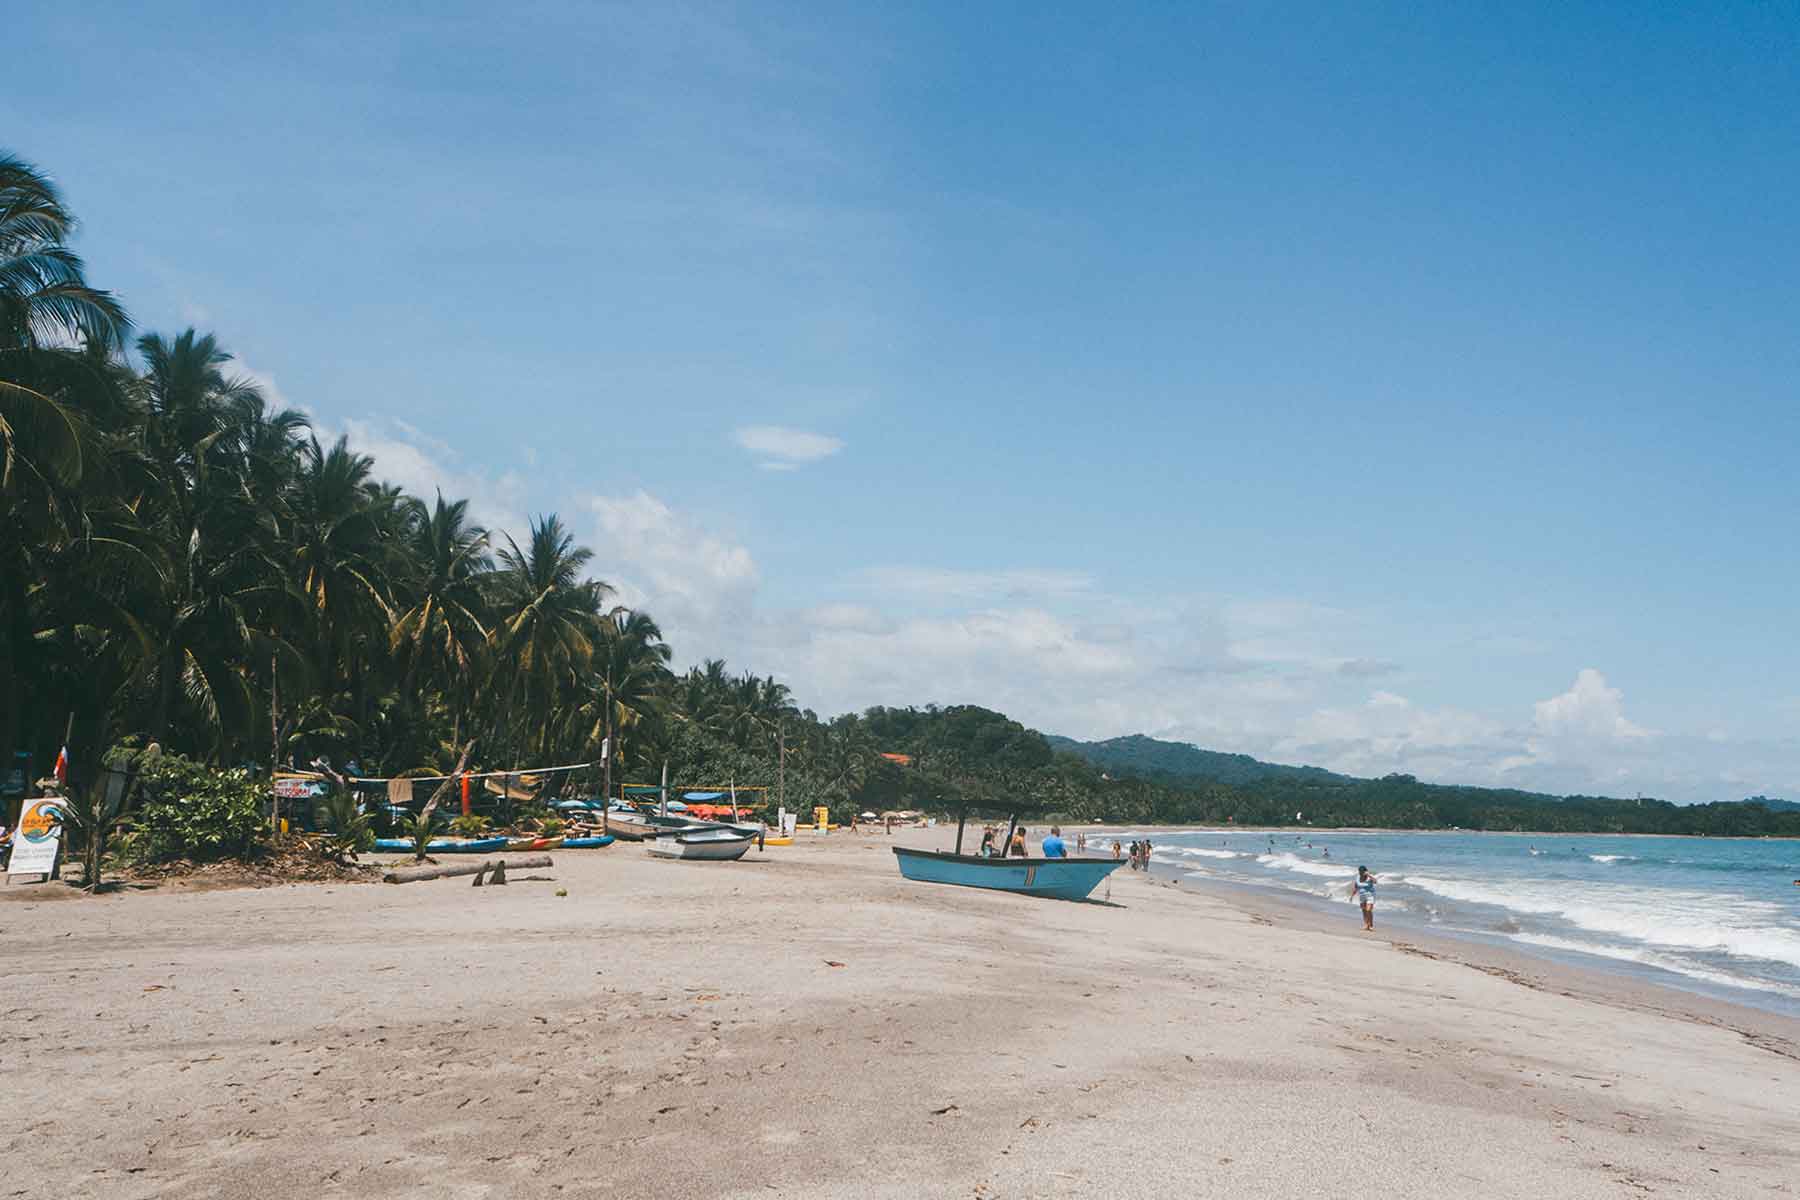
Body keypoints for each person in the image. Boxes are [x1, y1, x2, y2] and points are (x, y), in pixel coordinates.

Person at [1346, 865, 1378, 931]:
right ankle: (1366, 925)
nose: (1360, 873)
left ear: (1365, 872)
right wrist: (1352, 896)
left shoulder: (1369, 878)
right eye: (1359, 872)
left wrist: (1369, 875)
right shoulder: (1357, 877)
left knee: (1368, 910)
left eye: (1361, 872)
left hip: (1370, 895)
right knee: (1364, 910)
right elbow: (1356, 887)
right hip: (1362, 895)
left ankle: (1371, 925)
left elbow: (1375, 881)